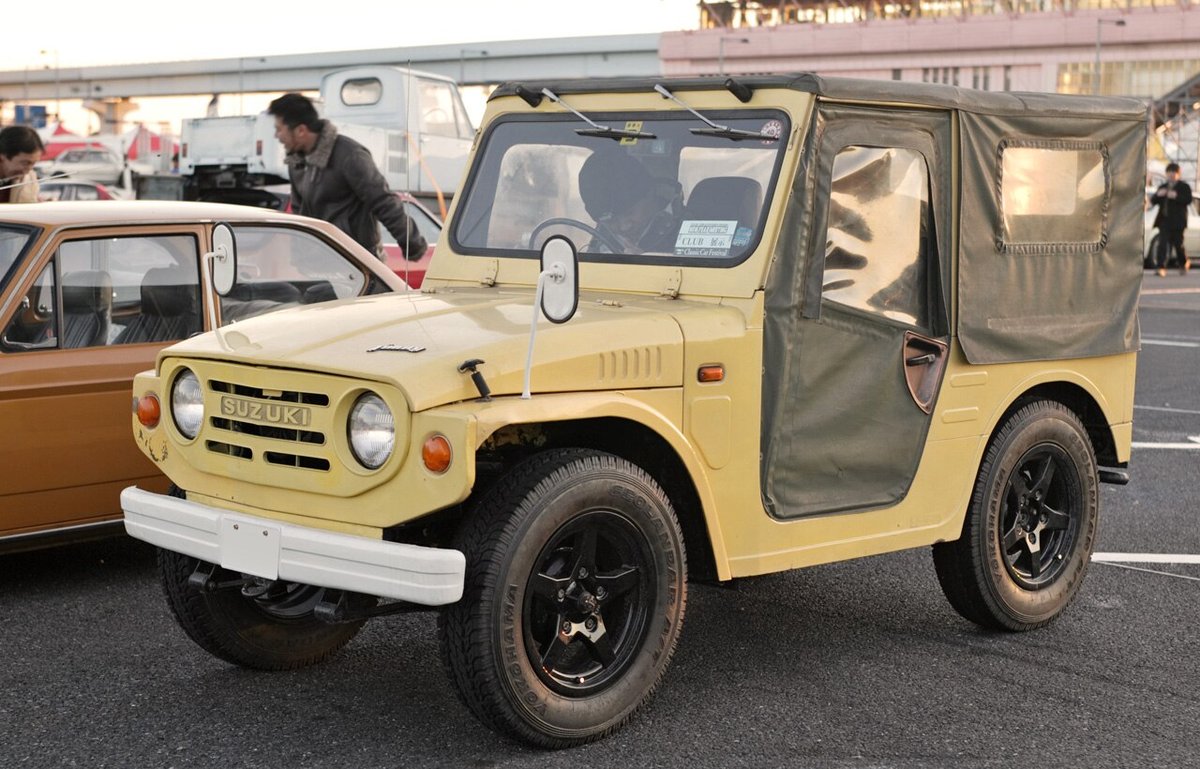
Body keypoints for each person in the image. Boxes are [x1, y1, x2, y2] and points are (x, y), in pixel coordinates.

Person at [267, 93, 426, 261]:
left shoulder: (350, 155)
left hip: (358, 263)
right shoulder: (297, 162)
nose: (276, 136)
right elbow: (300, 214)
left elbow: (382, 201)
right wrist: (301, 256)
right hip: (321, 263)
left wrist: (412, 245)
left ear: (301, 130)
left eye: (279, 129)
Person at [577, 148, 680, 254]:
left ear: (650, 194)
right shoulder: (602, 237)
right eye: (612, 221)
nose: (624, 227)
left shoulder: (685, 229)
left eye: (629, 213)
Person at [1148, 162, 1192, 277]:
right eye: (1169, 172)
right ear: (1166, 174)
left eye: (1174, 172)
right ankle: (1161, 267)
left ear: (1178, 174)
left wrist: (1176, 196)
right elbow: (1153, 201)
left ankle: (1183, 263)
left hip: (1178, 222)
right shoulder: (1163, 187)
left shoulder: (1184, 187)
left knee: (1178, 245)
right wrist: (1158, 195)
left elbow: (1188, 200)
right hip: (1164, 221)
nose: (1171, 175)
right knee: (1162, 244)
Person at [0, 126, 45, 204]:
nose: (28, 171)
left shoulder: (28, 181)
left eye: (33, 164)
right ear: (2, 157)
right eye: (25, 163)